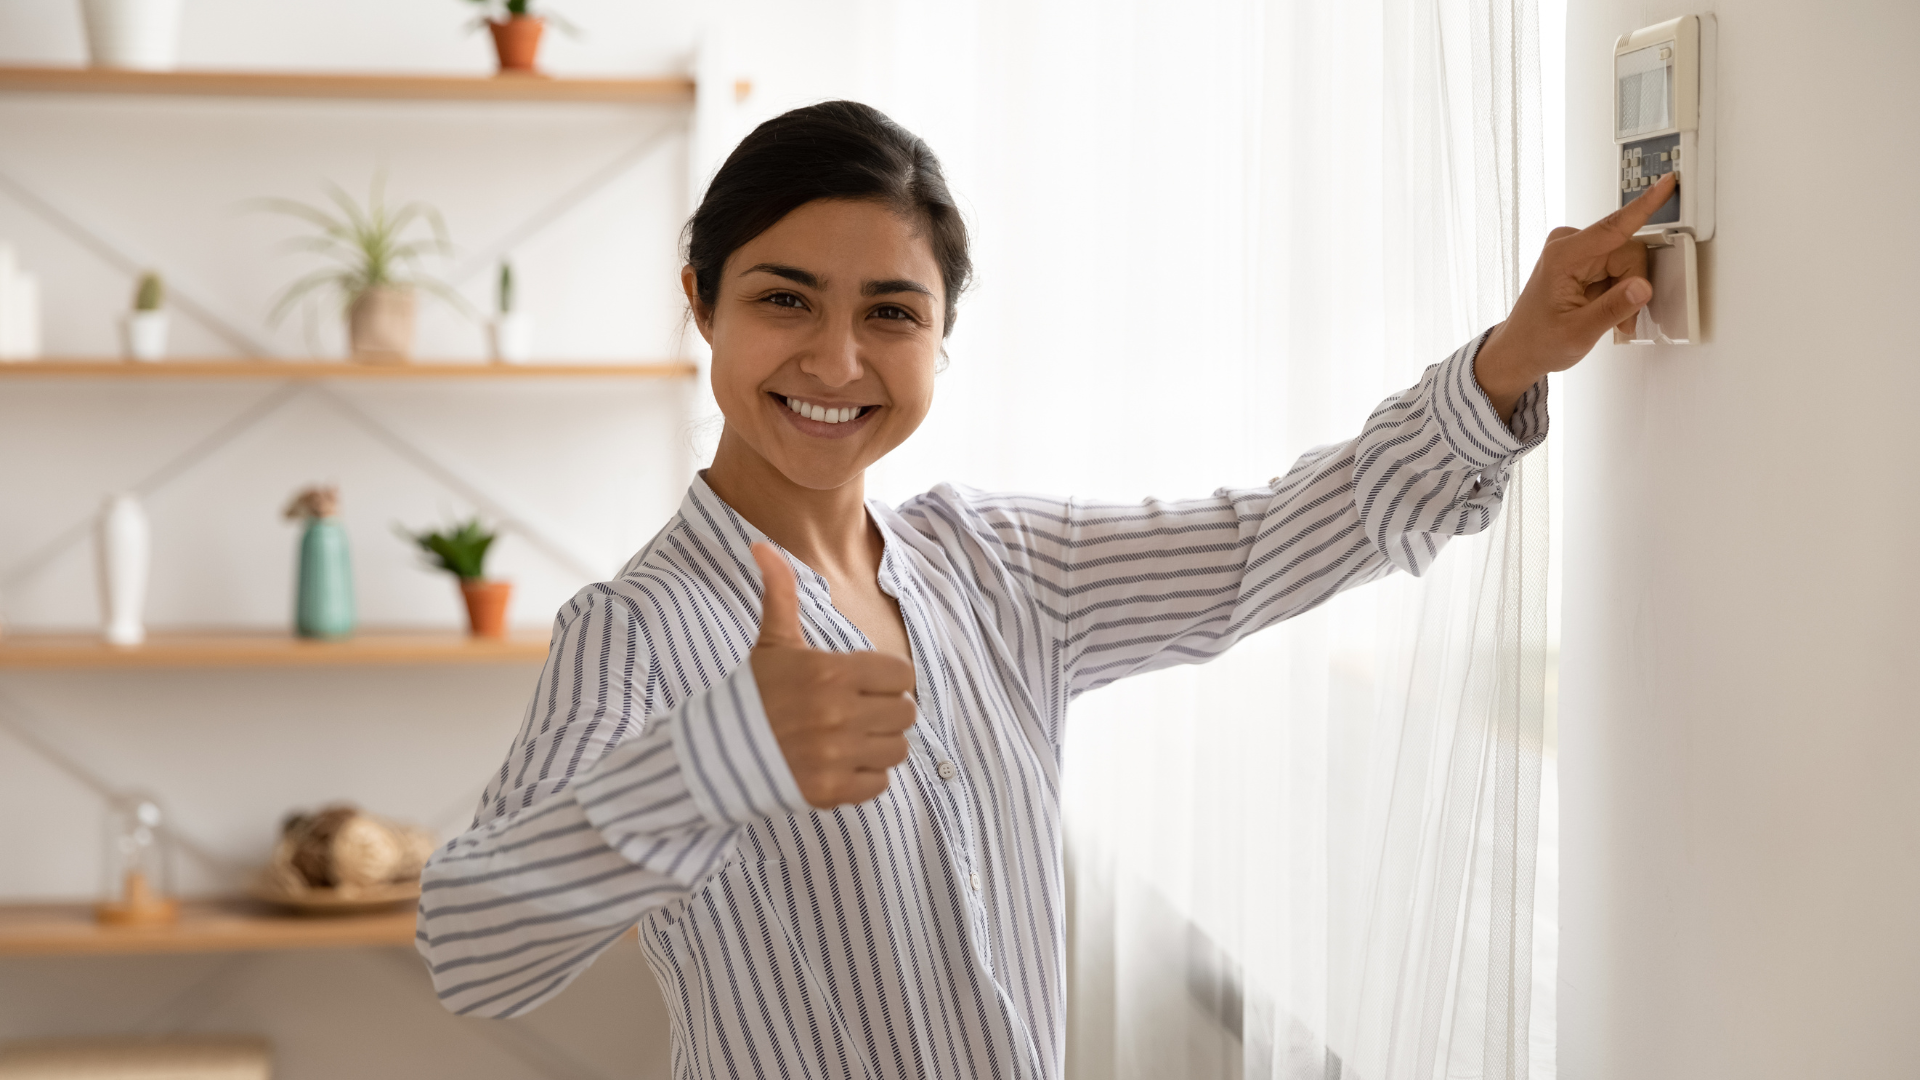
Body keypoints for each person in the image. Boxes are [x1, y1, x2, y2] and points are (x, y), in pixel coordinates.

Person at [416, 100, 1675, 1080]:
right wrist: (724, 751)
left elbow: (1270, 541)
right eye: (784, 298)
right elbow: (470, 948)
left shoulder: (998, 569)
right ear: (701, 304)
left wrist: (1518, 354)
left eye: (892, 313)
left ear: (942, 339)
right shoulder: (635, 633)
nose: (837, 359)